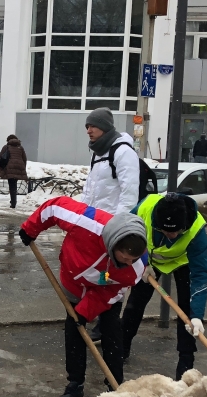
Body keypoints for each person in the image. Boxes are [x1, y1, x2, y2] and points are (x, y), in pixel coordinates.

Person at [18, 196, 148, 397]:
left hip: (106, 292)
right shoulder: (87, 222)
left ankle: (115, 384)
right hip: (73, 281)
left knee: (112, 331)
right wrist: (30, 228)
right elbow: (53, 208)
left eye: (133, 259)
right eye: (124, 257)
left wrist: (86, 310)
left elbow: (114, 291)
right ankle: (75, 384)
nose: (128, 263)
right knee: (74, 330)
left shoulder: (135, 267)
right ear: (112, 244)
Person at [122, 192, 207, 381]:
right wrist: (142, 265)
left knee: (186, 314)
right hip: (149, 263)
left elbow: (201, 274)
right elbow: (124, 237)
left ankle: (186, 364)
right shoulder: (144, 209)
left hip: (183, 262)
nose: (170, 236)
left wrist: (197, 316)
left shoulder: (196, 230)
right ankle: (121, 348)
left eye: (175, 231)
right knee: (135, 303)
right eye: (165, 231)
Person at [80, 107, 140, 343]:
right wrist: (82, 217)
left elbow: (128, 194)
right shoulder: (97, 153)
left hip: (112, 228)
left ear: (104, 127)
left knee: (112, 277)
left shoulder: (123, 152)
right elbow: (90, 190)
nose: (88, 130)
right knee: (95, 274)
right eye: (87, 126)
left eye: (92, 126)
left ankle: (106, 329)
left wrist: (118, 228)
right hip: (94, 225)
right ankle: (97, 321)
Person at [0, 134, 28, 209]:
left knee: (12, 185)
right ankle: (13, 201)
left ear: (8, 140)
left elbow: (1, 155)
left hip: (10, 167)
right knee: (14, 185)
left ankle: (13, 203)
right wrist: (23, 168)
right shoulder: (20, 148)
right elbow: (24, 158)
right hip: (19, 167)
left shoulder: (7, 146)